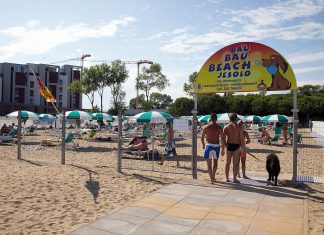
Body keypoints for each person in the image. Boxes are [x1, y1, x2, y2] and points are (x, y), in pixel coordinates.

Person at [201, 113, 225, 184]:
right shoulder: (219, 127)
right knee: (215, 163)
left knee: (209, 164)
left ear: (210, 119)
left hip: (208, 146)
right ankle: (213, 176)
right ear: (216, 119)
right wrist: (223, 149)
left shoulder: (206, 127)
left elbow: (202, 138)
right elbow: (223, 139)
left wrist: (203, 145)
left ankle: (211, 179)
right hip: (216, 146)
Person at [224, 113, 246, 183]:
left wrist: (224, 146)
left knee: (228, 163)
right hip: (236, 145)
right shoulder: (239, 128)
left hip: (229, 145)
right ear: (236, 119)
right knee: (235, 163)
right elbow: (242, 139)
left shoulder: (226, 127)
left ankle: (227, 178)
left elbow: (223, 138)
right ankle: (234, 179)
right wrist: (244, 149)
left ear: (230, 119)